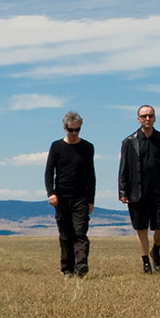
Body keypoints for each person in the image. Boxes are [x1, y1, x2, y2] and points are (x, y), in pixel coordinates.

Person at [118, 104, 160, 273]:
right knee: (141, 229)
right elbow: (123, 168)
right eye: (144, 116)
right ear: (138, 119)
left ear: (154, 118)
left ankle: (156, 251)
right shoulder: (129, 142)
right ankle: (146, 262)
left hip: (159, 192)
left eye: (150, 116)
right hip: (136, 193)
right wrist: (123, 191)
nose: (147, 119)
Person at [44, 111, 96, 277]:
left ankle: (81, 265)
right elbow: (49, 171)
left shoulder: (88, 147)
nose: (74, 133)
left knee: (80, 232)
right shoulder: (56, 146)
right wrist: (51, 193)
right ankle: (67, 269)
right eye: (71, 130)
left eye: (77, 130)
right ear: (64, 128)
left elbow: (91, 175)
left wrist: (91, 200)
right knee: (66, 235)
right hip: (61, 197)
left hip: (81, 197)